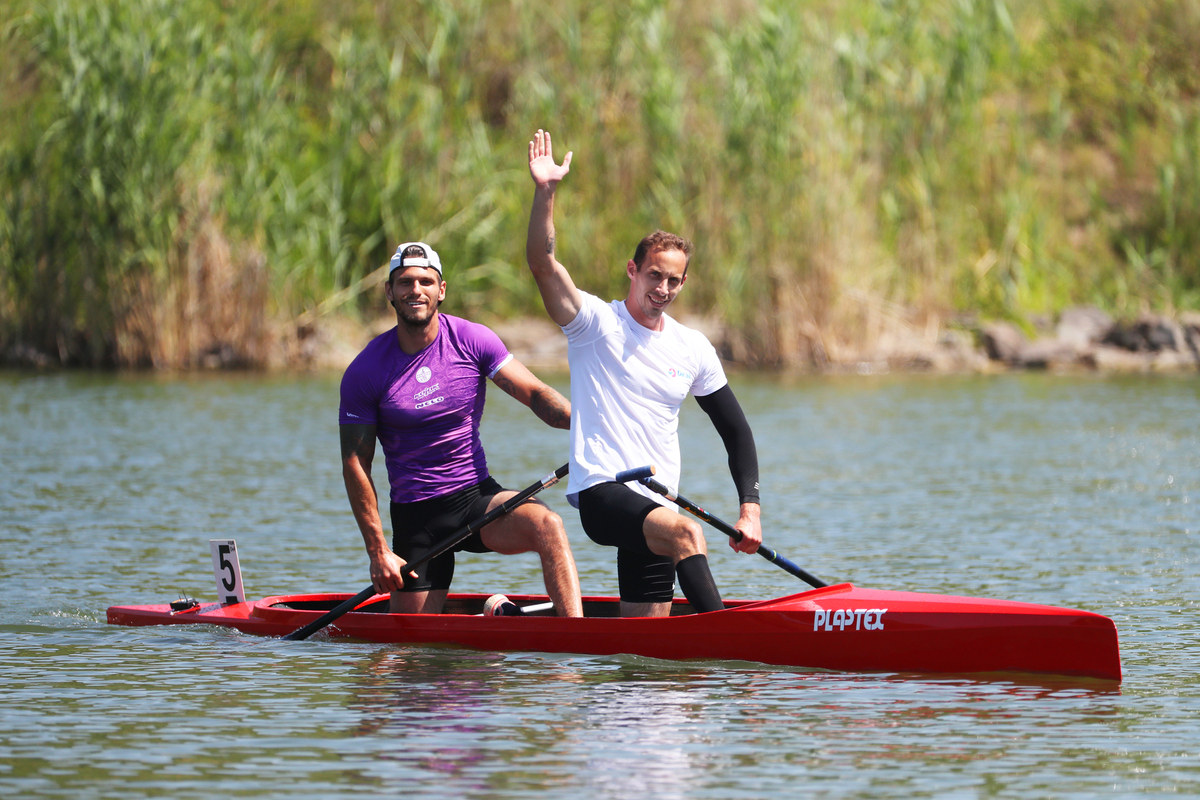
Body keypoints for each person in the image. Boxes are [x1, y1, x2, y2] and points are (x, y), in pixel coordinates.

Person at [524, 129, 762, 617]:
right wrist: (545, 194)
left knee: (647, 634)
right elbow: (542, 263)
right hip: (602, 493)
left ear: (684, 281)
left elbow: (735, 430)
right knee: (688, 534)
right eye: (655, 275)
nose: (664, 288)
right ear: (633, 270)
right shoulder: (594, 324)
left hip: (657, 501)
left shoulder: (692, 347)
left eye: (674, 280)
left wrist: (749, 509)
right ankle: (727, 647)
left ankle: (509, 617)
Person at [339, 240, 583, 617]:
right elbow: (356, 462)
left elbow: (535, 394)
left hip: (475, 500)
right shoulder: (366, 370)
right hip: (416, 517)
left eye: (425, 281)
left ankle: (574, 639)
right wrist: (378, 551)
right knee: (409, 655)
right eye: (404, 282)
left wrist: (592, 424)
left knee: (547, 524)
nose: (415, 290)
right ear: (390, 291)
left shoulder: (471, 340)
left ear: (441, 290)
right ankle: (499, 617)